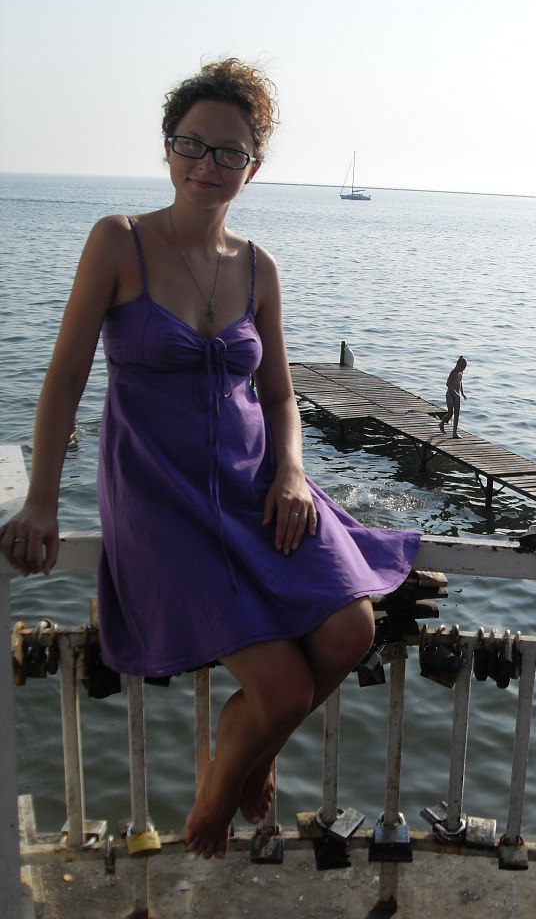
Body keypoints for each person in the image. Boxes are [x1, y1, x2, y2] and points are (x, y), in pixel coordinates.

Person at [0, 58, 420, 860]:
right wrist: (43, 500)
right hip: (159, 497)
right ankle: (228, 778)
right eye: (191, 143)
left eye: (230, 151)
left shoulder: (259, 267)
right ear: (167, 149)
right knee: (283, 687)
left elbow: (281, 395)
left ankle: (251, 745)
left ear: (252, 168)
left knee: (351, 630)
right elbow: (64, 379)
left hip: (256, 483)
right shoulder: (119, 242)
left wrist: (292, 472)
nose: (207, 163)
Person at [439, 356, 467, 437]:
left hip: (457, 396)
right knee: (450, 413)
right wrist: (455, 393)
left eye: (464, 368)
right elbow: (448, 384)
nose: (463, 369)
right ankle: (441, 424)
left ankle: (454, 432)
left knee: (457, 414)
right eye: (462, 368)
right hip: (450, 395)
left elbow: (460, 383)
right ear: (457, 365)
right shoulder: (453, 372)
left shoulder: (461, 373)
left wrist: (462, 393)